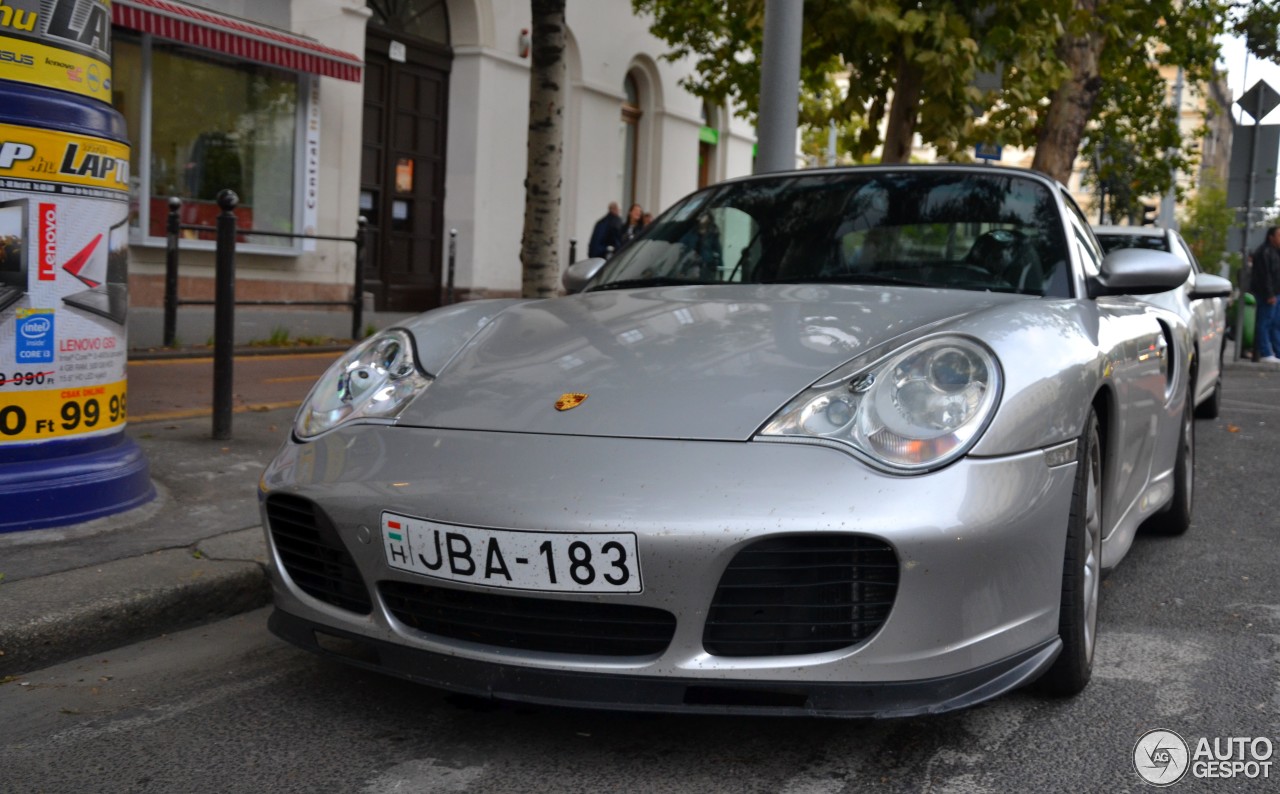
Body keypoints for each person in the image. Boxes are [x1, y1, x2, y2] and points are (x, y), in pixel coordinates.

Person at [1251, 226, 1280, 363]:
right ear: (1271, 237)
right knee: (1265, 322)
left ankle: (1276, 352)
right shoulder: (1265, 252)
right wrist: (1270, 294)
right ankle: (1265, 352)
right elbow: (1265, 275)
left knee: (1275, 323)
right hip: (1269, 294)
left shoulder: (1275, 252)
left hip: (1276, 293)